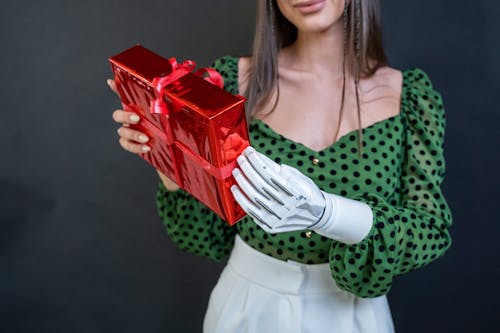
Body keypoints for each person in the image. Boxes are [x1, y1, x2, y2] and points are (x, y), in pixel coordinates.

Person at [108, 0, 452, 331]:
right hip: (246, 311)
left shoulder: (410, 97)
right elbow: (204, 237)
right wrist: (168, 155)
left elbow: (429, 230)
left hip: (353, 317)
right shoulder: (230, 84)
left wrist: (329, 214)